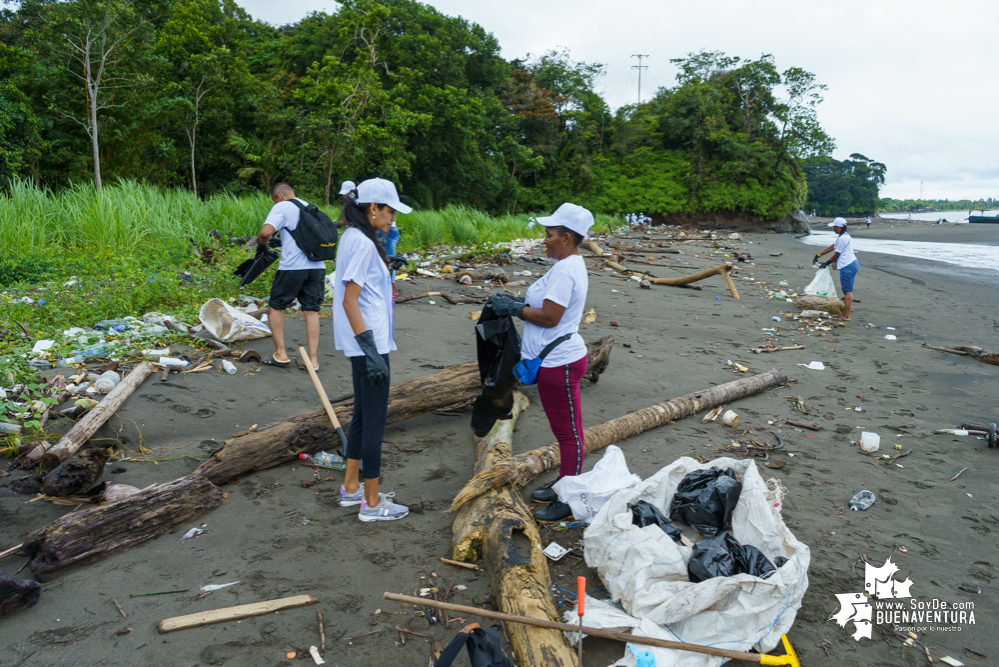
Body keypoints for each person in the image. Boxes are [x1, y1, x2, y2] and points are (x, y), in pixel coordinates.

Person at [489, 203, 592, 523]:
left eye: (549, 235)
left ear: (566, 237)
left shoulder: (565, 269)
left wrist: (515, 310)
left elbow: (550, 316)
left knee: (569, 434)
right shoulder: (567, 264)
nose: (543, 239)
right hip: (554, 362)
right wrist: (517, 304)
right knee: (564, 430)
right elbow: (543, 305)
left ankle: (570, 497)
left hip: (559, 363)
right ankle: (564, 483)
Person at [333, 178, 411, 522]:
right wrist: (372, 351)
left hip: (361, 342)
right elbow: (351, 301)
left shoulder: (354, 236)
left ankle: (351, 488)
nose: (393, 217)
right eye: (389, 210)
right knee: (376, 422)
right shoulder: (363, 244)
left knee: (362, 417)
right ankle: (373, 501)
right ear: (373, 208)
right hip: (369, 343)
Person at [256, 183, 325, 370]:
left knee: (276, 306)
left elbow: (265, 232)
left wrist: (262, 244)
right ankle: (312, 361)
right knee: (311, 310)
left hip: (293, 267)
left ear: (278, 196)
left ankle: (281, 354)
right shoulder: (309, 206)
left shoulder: (282, 206)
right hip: (318, 266)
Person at [813, 217, 859, 321]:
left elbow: (837, 254)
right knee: (847, 290)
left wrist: (827, 263)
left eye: (834, 227)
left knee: (847, 291)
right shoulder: (843, 236)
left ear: (838, 227)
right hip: (852, 264)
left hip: (848, 265)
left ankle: (846, 316)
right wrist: (818, 255)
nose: (833, 229)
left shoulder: (843, 238)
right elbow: (832, 247)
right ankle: (845, 313)